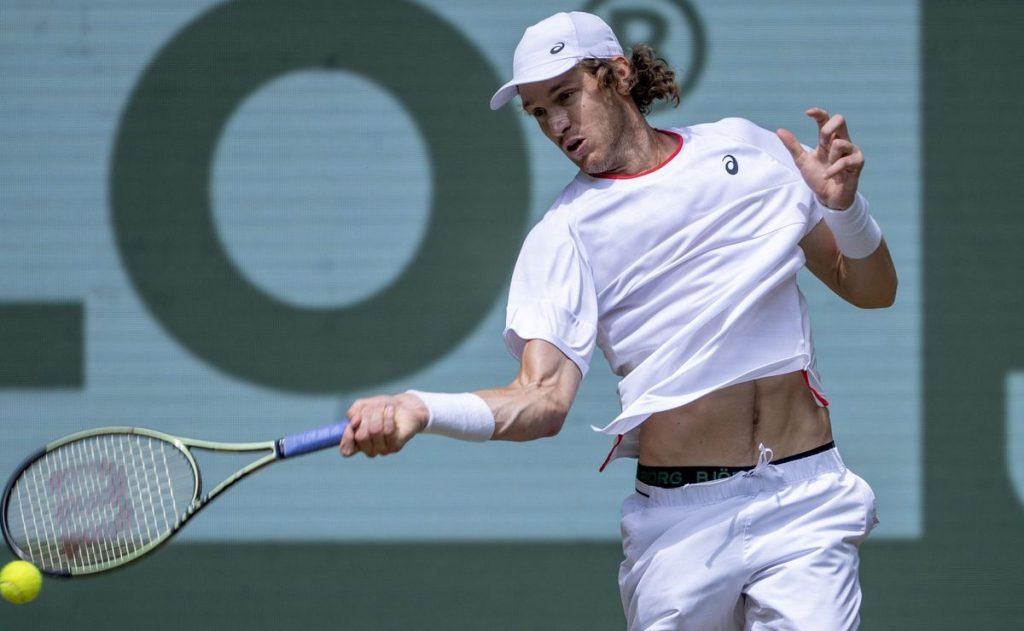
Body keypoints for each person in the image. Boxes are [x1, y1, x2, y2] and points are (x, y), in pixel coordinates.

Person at [339, 11, 897, 630]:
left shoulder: (749, 149)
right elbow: (542, 400)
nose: (556, 125)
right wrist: (421, 407)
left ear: (619, 75)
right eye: (539, 113)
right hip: (683, 524)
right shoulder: (563, 236)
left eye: (565, 96)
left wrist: (844, 210)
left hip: (803, 499)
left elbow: (871, 289)